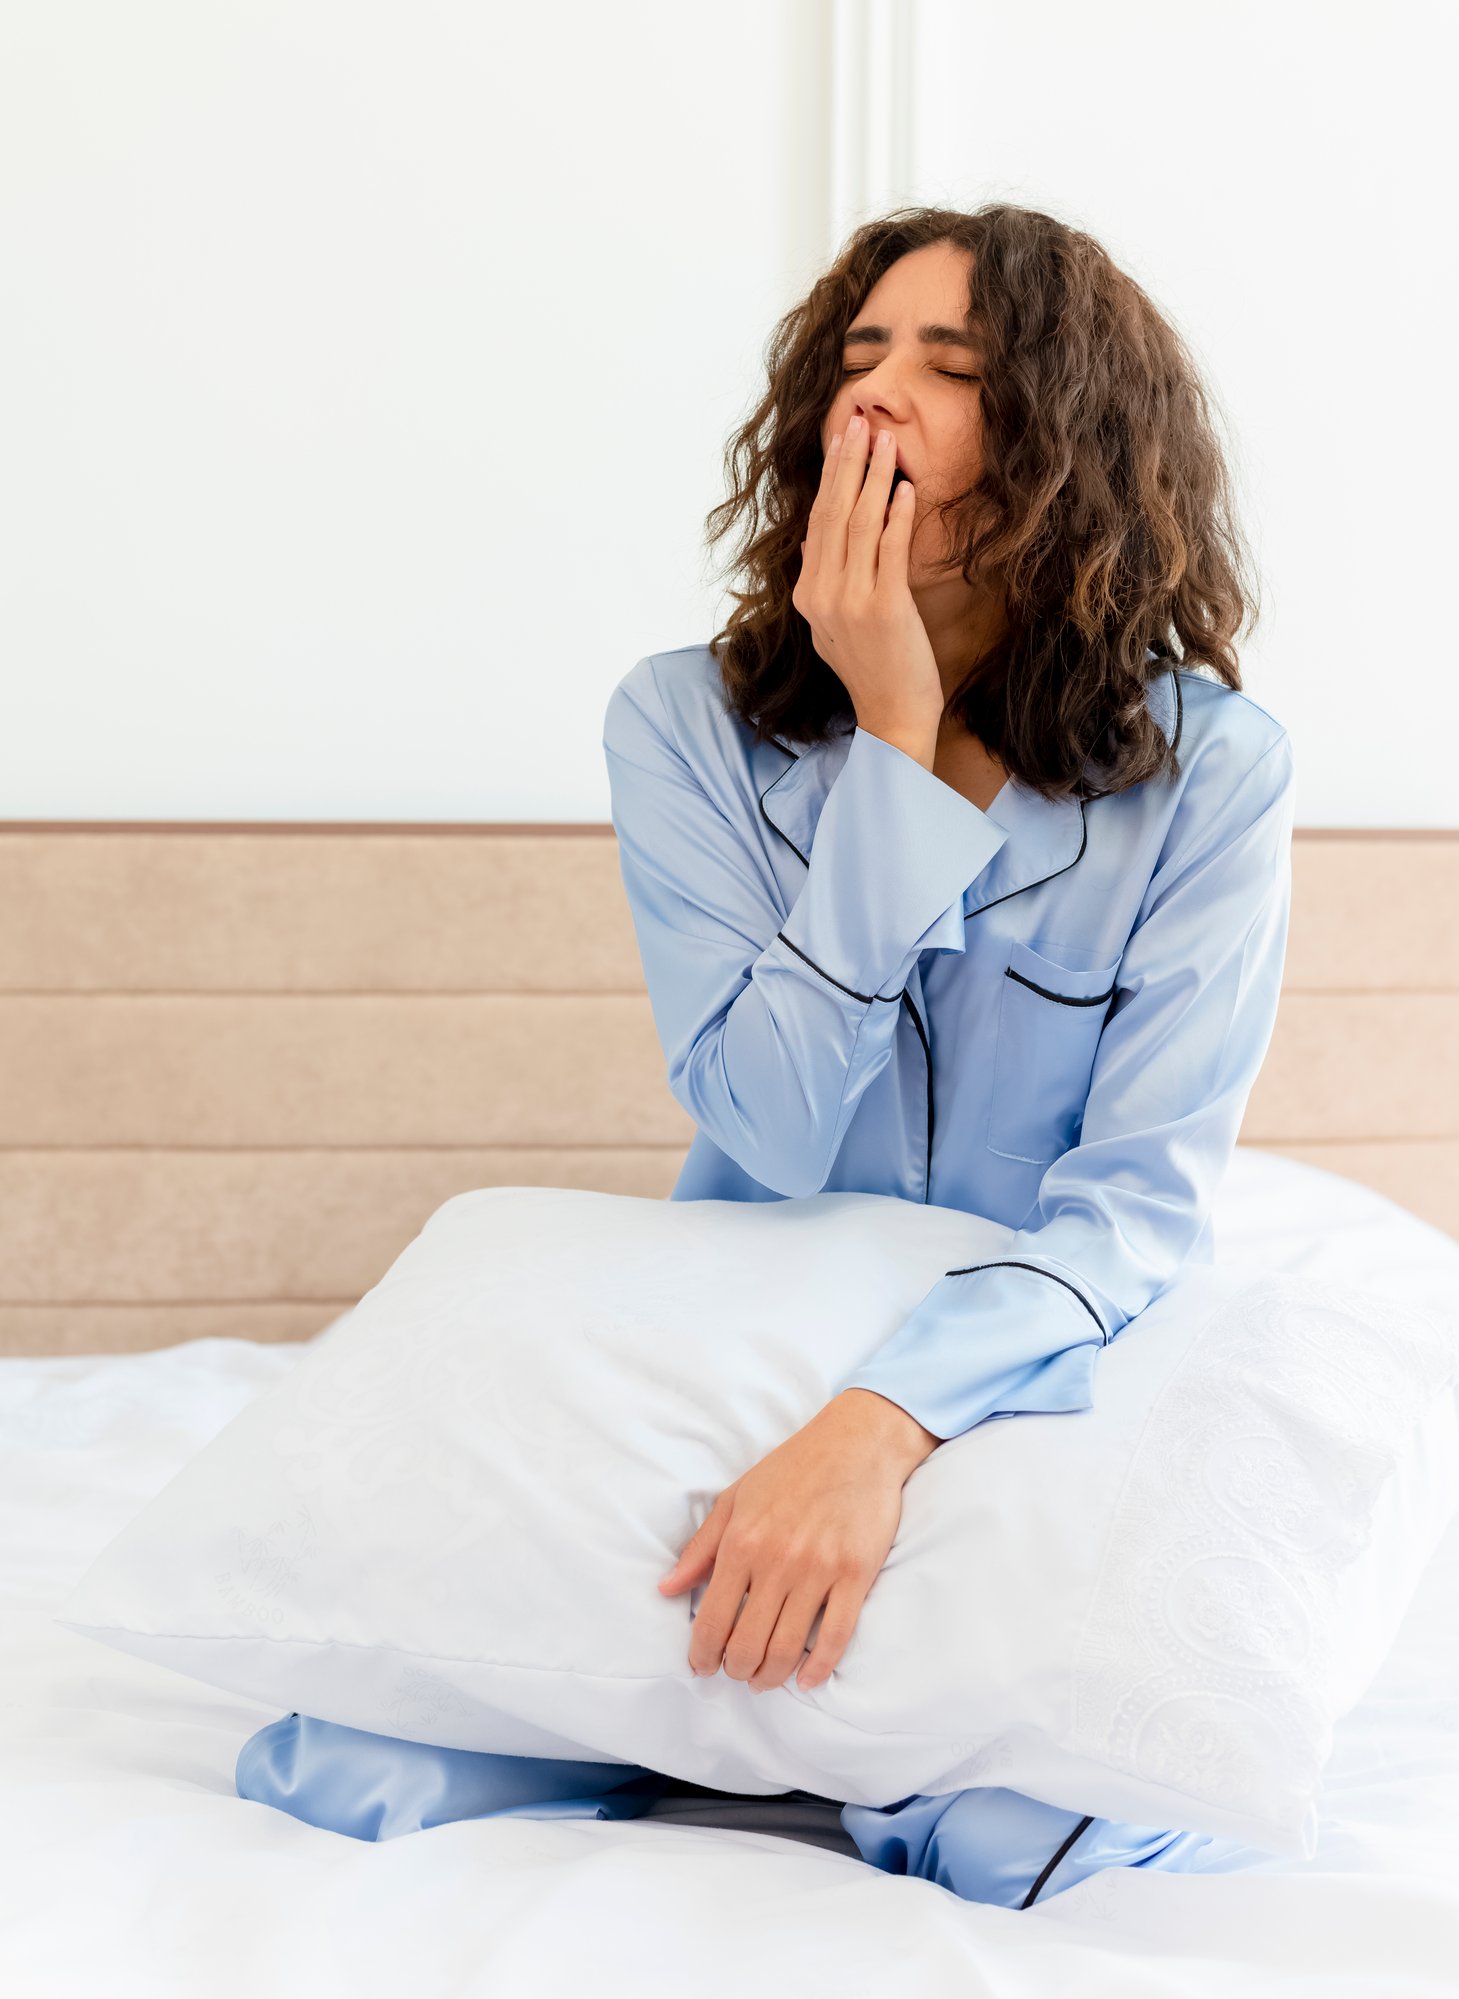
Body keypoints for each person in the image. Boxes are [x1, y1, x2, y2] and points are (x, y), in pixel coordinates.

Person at [237, 201, 1292, 1908]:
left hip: (1017, 1375)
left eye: (952, 369)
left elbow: (1134, 1211)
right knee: (341, 1764)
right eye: (855, 360)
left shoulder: (1211, 773)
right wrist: (888, 741)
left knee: (1039, 1842)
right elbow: (776, 1131)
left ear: (1068, 443)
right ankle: (727, 1721)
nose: (877, 404)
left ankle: (826, 1731)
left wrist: (884, 1426)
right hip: (737, 1340)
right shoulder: (684, 728)